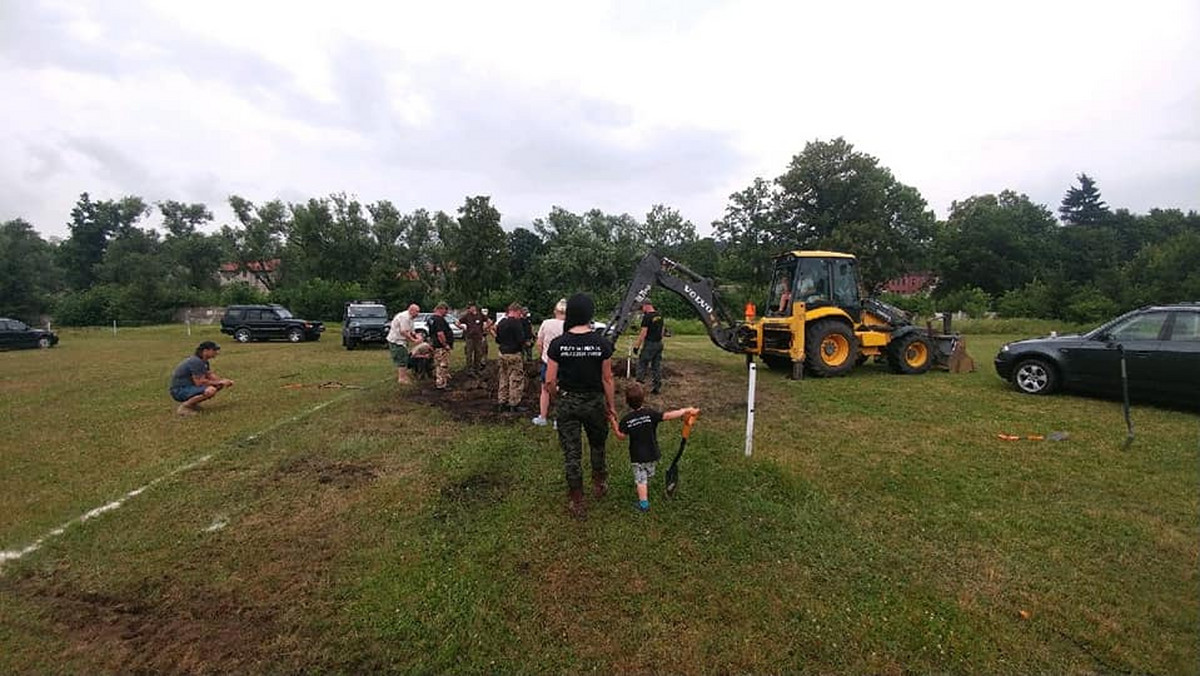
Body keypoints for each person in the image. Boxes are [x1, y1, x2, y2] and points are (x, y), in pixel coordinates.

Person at [546, 293, 617, 520]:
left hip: (568, 402)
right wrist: (611, 406)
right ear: (589, 314)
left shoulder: (558, 344)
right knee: (598, 445)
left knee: (572, 453)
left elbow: (549, 381)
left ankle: (577, 499)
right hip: (594, 402)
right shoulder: (602, 343)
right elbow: (607, 379)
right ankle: (599, 483)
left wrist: (558, 399)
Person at [615, 382, 699, 512]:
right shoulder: (650, 413)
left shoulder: (626, 420)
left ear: (627, 401)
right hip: (653, 452)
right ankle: (647, 476)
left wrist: (612, 421)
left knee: (641, 480)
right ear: (643, 399)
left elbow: (621, 436)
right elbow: (668, 415)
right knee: (648, 471)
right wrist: (684, 411)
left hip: (638, 456)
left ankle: (644, 504)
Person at [169, 340, 234, 416]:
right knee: (210, 390)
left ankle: (192, 404)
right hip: (179, 390)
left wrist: (223, 381)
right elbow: (199, 382)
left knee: (218, 385)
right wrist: (219, 382)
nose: (217, 352)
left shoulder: (204, 362)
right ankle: (184, 407)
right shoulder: (196, 362)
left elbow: (210, 375)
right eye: (214, 350)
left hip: (188, 387)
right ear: (205, 351)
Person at [531, 298, 567, 427]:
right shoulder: (569, 325)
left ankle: (543, 417)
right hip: (564, 363)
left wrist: (542, 355)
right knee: (562, 391)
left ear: (555, 311)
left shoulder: (546, 323)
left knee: (545, 390)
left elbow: (539, 343)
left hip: (548, 362)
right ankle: (559, 420)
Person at [494, 302, 528, 412]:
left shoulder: (502, 322)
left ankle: (502, 402)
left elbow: (497, 339)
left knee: (503, 378)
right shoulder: (516, 323)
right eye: (520, 313)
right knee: (516, 379)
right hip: (514, 354)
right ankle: (514, 404)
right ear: (516, 311)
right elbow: (521, 340)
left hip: (502, 353)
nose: (520, 316)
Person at [633, 300, 665, 394]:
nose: (642, 310)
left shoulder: (647, 317)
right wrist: (659, 339)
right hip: (659, 344)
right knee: (656, 366)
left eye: (642, 307)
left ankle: (638, 388)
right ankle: (657, 387)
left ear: (646, 305)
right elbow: (662, 330)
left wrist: (637, 347)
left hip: (649, 344)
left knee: (642, 364)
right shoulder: (659, 315)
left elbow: (643, 333)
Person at [387, 303, 420, 383]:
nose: (418, 314)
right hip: (397, 341)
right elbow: (403, 332)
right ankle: (402, 378)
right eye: (416, 311)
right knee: (402, 359)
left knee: (405, 358)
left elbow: (411, 331)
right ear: (411, 310)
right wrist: (414, 340)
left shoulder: (411, 318)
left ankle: (404, 376)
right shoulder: (404, 317)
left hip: (402, 341)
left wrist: (417, 336)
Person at [427, 302, 455, 390]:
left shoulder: (431, 319)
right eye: (446, 311)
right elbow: (440, 334)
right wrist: (445, 344)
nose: (446, 313)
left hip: (435, 345)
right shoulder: (439, 320)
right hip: (440, 346)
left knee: (438, 364)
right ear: (441, 309)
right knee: (442, 365)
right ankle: (442, 384)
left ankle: (440, 381)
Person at [456, 302, 488, 374]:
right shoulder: (467, 316)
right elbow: (457, 322)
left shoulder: (480, 315)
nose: (470, 309)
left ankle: (477, 369)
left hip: (478, 337)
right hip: (469, 337)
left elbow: (488, 321)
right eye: (469, 307)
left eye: (471, 307)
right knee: (469, 354)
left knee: (478, 353)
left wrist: (485, 328)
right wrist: (462, 327)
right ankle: (469, 370)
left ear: (474, 307)